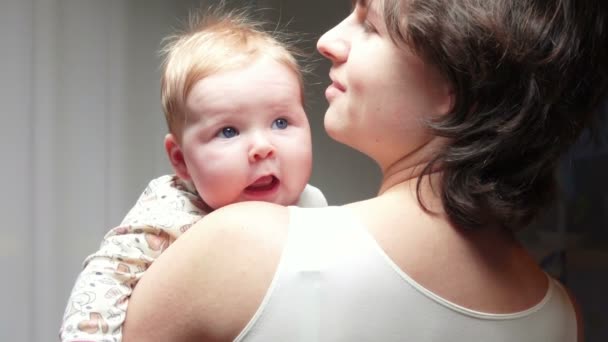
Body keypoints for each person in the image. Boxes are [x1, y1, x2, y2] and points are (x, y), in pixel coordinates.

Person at [122, 0, 608, 341]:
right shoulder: (563, 320)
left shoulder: (243, 245)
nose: (327, 41)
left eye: (369, 24)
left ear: (453, 80)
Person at [59, 6, 327, 342]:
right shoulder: (169, 211)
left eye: (281, 122)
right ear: (181, 160)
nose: (262, 146)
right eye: (229, 131)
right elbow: (101, 286)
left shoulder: (314, 206)